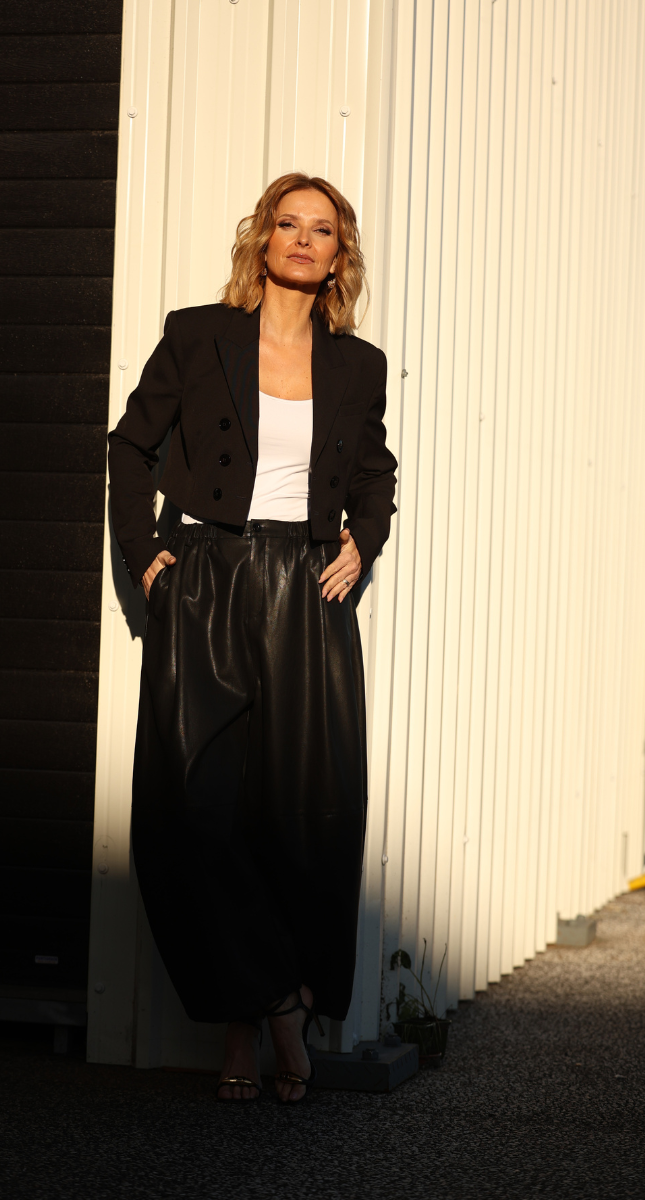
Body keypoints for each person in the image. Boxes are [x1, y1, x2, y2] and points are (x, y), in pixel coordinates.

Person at [108, 172, 398, 1104]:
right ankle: (278, 1003)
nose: (304, 239)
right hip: (207, 578)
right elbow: (129, 446)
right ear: (262, 240)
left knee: (300, 812)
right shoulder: (198, 334)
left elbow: (377, 472)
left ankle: (246, 1028)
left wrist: (363, 540)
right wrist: (146, 555)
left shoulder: (358, 365)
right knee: (189, 813)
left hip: (305, 589)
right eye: (288, 223)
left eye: (323, 229)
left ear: (338, 255)